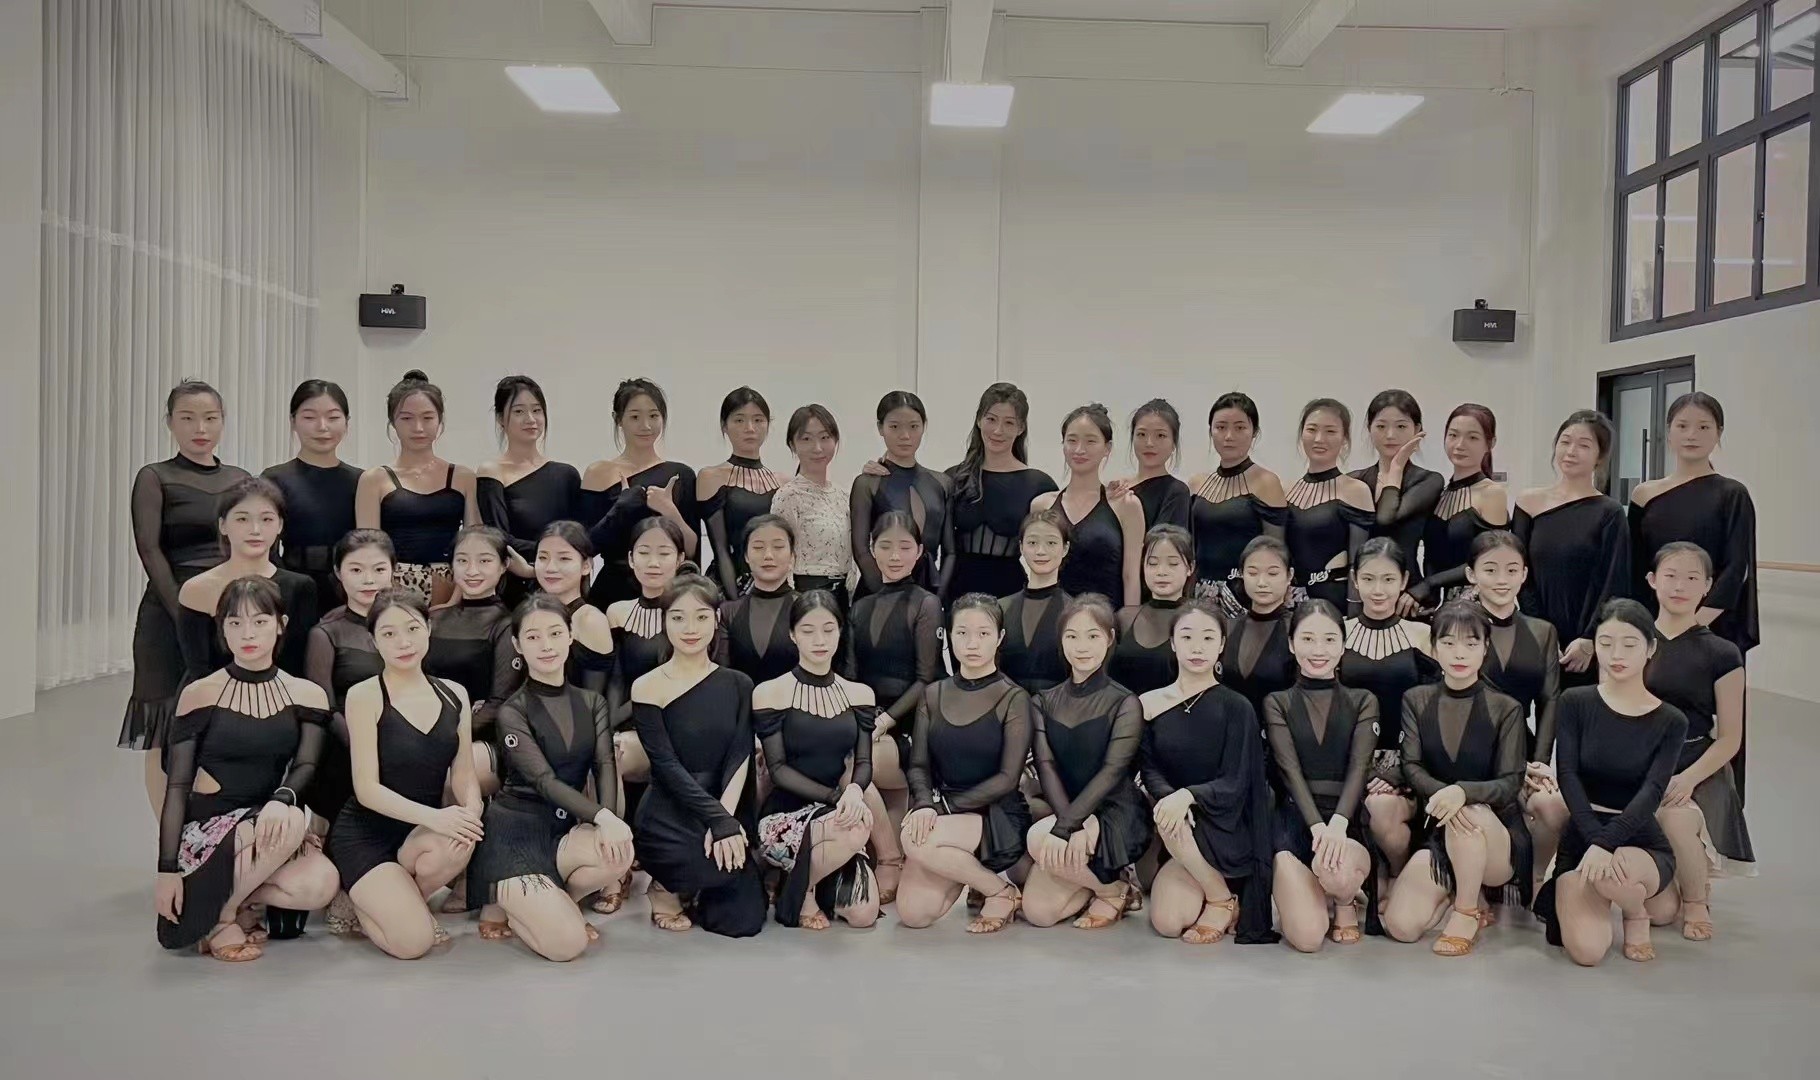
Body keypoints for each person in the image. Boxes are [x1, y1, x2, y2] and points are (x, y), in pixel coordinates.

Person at [155, 576, 338, 960]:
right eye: (235, 623)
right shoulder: (199, 693)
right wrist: (166, 869)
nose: (247, 634)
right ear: (222, 629)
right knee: (290, 821)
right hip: (211, 829)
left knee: (321, 883)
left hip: (268, 821)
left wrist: (281, 799)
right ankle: (221, 919)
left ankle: (224, 903)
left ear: (281, 625)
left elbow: (306, 764)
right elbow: (177, 786)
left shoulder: (306, 694)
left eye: (259, 621)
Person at [466, 596, 633, 960]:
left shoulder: (592, 702)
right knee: (567, 945)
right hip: (515, 836)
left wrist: (605, 822)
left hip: (561, 831)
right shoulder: (512, 711)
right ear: (518, 645)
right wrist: (602, 817)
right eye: (533, 637)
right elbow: (543, 780)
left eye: (555, 633)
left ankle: (555, 902)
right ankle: (509, 899)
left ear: (571, 636)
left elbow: (604, 763)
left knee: (620, 850)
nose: (546, 645)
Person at [325, 588, 484, 959]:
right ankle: (362, 901)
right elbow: (366, 789)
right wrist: (437, 818)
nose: (403, 642)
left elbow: (463, 772)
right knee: (413, 944)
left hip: (418, 830)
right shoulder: (364, 695)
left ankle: (404, 901)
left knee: (459, 842)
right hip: (367, 833)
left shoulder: (454, 694)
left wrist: (471, 811)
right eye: (389, 633)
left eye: (412, 629)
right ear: (374, 641)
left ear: (428, 628)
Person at [1534, 600, 1689, 966]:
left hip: (1639, 836)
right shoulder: (1575, 701)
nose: (1616, 654)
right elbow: (1568, 774)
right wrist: (1595, 840)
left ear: (1650, 648)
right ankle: (1602, 890)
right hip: (1584, 833)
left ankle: (1636, 912)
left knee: (1628, 885)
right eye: (1605, 643)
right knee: (1586, 952)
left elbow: (1652, 791)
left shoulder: (1671, 720)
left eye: (1629, 644)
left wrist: (1607, 843)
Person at [121, 380, 249, 809]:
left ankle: (214, 830)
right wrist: (184, 613)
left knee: (222, 721)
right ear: (170, 423)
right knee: (163, 726)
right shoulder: (155, 476)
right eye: (188, 418)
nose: (200, 428)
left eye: (210, 418)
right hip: (168, 614)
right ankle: (168, 837)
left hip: (229, 616)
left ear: (223, 422)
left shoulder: (240, 480)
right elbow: (149, 549)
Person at [1628, 391, 1757, 802]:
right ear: (1667, 433)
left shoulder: (1732, 493)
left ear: (1719, 434)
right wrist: (1649, 627)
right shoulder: (1644, 495)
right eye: (1682, 426)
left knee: (1718, 724)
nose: (1692, 435)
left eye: (1704, 427)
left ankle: (1718, 814)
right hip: (1655, 628)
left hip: (1712, 627)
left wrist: (1691, 626)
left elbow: (1736, 568)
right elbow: (1635, 568)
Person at [1381, 602, 1530, 956]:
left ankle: (1467, 910)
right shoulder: (1416, 699)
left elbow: (1510, 782)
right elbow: (1412, 766)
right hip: (1439, 830)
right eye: (1448, 643)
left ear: (1485, 648)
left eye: (1470, 643)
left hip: (1495, 836)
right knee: (1401, 927)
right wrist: (1446, 795)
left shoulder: (1506, 707)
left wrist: (1462, 793)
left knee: (1470, 812)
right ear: (1434, 648)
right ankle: (1456, 894)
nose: (1459, 653)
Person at [631, 573, 766, 937]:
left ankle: (699, 890)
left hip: (722, 802)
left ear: (717, 619)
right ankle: (663, 888)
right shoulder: (647, 686)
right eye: (678, 617)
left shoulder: (739, 683)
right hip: (669, 809)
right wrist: (716, 820)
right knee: (709, 864)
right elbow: (666, 766)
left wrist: (725, 820)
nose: (690, 628)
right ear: (665, 621)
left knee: (743, 923)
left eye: (701, 617)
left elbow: (740, 755)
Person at [753, 591, 893, 929]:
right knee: (856, 827)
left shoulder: (860, 694)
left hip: (838, 814)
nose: (819, 640)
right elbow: (778, 771)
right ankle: (801, 895)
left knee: (863, 915)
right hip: (785, 817)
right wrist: (838, 797)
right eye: (808, 630)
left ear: (840, 632)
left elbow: (863, 762)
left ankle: (800, 880)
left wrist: (855, 792)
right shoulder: (770, 692)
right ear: (792, 634)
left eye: (828, 630)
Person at [1140, 600, 1276, 944]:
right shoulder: (1150, 703)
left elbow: (1237, 781)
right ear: (1173, 643)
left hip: (1225, 826)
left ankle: (1221, 899)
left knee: (1171, 819)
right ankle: (1216, 891)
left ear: (1221, 644)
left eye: (1207, 638)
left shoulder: (1237, 707)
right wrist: (1170, 799)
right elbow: (1149, 768)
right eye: (1187, 637)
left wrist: (1188, 796)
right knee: (1168, 923)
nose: (1197, 648)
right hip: (1179, 828)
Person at [898, 594, 1033, 933]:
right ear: (949, 635)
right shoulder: (933, 694)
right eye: (962, 633)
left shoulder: (1014, 697)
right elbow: (918, 765)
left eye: (983, 634)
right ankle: (971, 872)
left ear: (1000, 638)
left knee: (914, 840)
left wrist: (942, 808)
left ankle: (999, 892)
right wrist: (924, 803)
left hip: (996, 815)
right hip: (947, 813)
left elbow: (1008, 778)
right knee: (914, 915)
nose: (972, 644)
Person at [1642, 542, 1753, 941]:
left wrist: (1688, 779)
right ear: (1652, 580)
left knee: (1676, 818)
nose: (1680, 587)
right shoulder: (1634, 640)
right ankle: (1671, 875)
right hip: (1639, 761)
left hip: (1694, 763)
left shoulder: (1723, 653)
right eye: (1671, 576)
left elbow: (1730, 738)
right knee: (1657, 914)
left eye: (1692, 578)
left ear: (1707, 586)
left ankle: (1696, 900)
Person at [1023, 596, 1150, 929]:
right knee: (1039, 913)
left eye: (1092, 636)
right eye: (1072, 636)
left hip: (1115, 810)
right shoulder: (1042, 701)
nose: (1082, 646)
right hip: (1067, 808)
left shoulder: (1125, 702)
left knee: (1038, 838)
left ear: (1109, 639)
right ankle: (1114, 888)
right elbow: (1046, 767)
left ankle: (1106, 885)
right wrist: (1069, 822)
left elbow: (1112, 771)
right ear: (1061, 640)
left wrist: (1066, 827)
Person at [1264, 599, 1381, 951]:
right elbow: (1288, 769)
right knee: (1307, 938)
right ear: (1291, 644)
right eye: (1308, 639)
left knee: (1335, 871)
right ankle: (1313, 890)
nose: (1319, 650)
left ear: (1343, 645)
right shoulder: (1277, 702)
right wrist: (1317, 826)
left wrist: (1338, 824)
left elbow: (1359, 766)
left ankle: (1344, 900)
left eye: (1330, 640)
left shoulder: (1363, 700)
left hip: (1346, 820)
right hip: (1294, 820)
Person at [842, 511, 943, 885]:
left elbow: (925, 679)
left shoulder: (926, 604)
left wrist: (885, 721)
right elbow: (851, 677)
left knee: (851, 769)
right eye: (885, 546)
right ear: (871, 549)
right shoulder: (860, 607)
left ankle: (889, 858)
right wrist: (861, 721)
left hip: (911, 725)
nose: (895, 556)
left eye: (904, 547)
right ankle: (884, 856)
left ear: (919, 551)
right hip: (870, 721)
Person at [1464, 530, 1570, 888]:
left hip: (1523, 748)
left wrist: (1538, 763)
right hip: (1468, 750)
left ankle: (1536, 880)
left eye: (1512, 570)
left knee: (1552, 808)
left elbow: (1550, 699)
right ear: (1471, 574)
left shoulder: (1543, 631)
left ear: (1524, 574)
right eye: (1490, 570)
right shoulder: (1456, 625)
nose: (1502, 580)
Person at [530, 521, 625, 914]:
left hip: (581, 728)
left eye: (563, 559)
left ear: (586, 565)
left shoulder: (588, 619)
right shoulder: (531, 612)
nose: (551, 567)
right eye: (543, 557)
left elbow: (593, 697)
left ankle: (613, 871)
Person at [1514, 410, 1629, 689]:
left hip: (1585, 644)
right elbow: (1519, 571)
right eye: (1565, 442)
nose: (1571, 451)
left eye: (1584, 445)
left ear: (1600, 457)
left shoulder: (1610, 512)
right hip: (1536, 632)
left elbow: (1614, 580)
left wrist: (1590, 639)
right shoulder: (1528, 503)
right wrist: (1541, 631)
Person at [1342, 538, 1437, 876]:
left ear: (1404, 580)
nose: (1378, 590)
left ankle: (1399, 875)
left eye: (1388, 579)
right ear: (1354, 579)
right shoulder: (1338, 633)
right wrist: (1365, 770)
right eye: (1368, 579)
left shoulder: (1423, 635)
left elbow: (1433, 715)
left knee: (1383, 813)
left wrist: (1399, 772)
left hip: (1409, 760)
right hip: (1350, 759)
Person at [175, 477, 318, 685]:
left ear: (280, 525)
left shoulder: (300, 587)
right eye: (242, 519)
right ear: (223, 525)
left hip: (281, 697)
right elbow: (198, 669)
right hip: (212, 696)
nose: (255, 530)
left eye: (266, 519)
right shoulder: (197, 589)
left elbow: (297, 666)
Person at [356, 371, 479, 606]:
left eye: (427, 417)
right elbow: (368, 550)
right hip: (392, 586)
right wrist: (390, 594)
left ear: (440, 421)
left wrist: (457, 595)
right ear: (393, 422)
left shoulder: (463, 477)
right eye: (407, 418)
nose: (418, 427)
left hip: (454, 584)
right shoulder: (374, 479)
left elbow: (474, 543)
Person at [580, 378, 700, 608]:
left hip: (666, 592)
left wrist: (670, 512)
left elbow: (691, 548)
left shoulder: (680, 474)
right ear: (619, 420)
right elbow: (586, 546)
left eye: (653, 416)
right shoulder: (598, 473)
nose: (645, 426)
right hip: (612, 590)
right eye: (635, 417)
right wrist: (621, 509)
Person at [304, 530, 395, 824]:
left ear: (393, 570)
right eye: (356, 570)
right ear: (338, 572)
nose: (368, 580)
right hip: (347, 747)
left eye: (379, 569)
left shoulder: (410, 624)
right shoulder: (326, 633)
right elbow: (324, 707)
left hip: (405, 745)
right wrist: (366, 746)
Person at [426, 526, 520, 798]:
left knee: (438, 775)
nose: (472, 570)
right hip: (426, 728)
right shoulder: (434, 619)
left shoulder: (507, 624)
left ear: (504, 565)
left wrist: (450, 735)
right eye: (463, 560)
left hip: (480, 737)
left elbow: (500, 703)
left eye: (484, 561)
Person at [944, 383, 1057, 602]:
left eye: (1009, 423)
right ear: (979, 420)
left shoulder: (1038, 484)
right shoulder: (953, 478)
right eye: (991, 419)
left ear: (1021, 428)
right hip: (957, 593)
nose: (998, 431)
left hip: (1010, 595)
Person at [476, 375, 579, 608]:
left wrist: (552, 561)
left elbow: (579, 536)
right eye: (519, 411)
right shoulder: (492, 471)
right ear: (501, 419)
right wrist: (556, 557)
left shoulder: (567, 474)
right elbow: (499, 537)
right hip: (515, 584)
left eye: (537, 410)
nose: (530, 419)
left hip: (565, 586)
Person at [1032, 404, 1146, 608]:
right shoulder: (1042, 505)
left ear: (1107, 448)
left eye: (1090, 441)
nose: (1079, 450)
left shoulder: (1126, 505)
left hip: (1106, 619)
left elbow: (1131, 576)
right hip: (1052, 617)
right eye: (1072, 440)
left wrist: (1131, 619)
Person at [1186, 392, 1287, 617]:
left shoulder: (1266, 482)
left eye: (1240, 428)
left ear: (1254, 432)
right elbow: (1190, 547)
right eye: (1221, 427)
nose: (1229, 436)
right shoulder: (1196, 483)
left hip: (1247, 596)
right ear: (1210, 431)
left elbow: (1276, 550)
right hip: (1200, 594)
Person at [263, 379, 361, 607]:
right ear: (293, 422)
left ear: (346, 423)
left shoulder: (361, 480)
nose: (322, 426)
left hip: (349, 590)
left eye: (333, 418)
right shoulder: (274, 478)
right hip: (290, 588)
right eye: (309, 417)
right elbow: (267, 546)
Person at [852, 390, 954, 597]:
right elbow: (861, 550)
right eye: (894, 427)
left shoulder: (942, 483)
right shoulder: (867, 483)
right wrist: (886, 596)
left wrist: (937, 598)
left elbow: (950, 552)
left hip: (928, 591)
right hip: (877, 594)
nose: (905, 436)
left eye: (913, 426)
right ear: (880, 428)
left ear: (924, 426)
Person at [1408, 404, 1508, 609]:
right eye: (1453, 435)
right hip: (1436, 606)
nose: (1460, 444)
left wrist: (1429, 583)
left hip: (1477, 607)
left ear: (1490, 443)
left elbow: (1491, 559)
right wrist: (1428, 594)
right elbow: (1431, 555)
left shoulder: (1492, 493)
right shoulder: (1441, 492)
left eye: (1472, 438)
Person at [1283, 399, 1375, 609]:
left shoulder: (1356, 490)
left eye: (1330, 431)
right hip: (1288, 603)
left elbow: (1358, 563)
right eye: (1312, 430)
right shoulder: (1284, 490)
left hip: (1333, 605)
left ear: (1344, 439)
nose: (1319, 439)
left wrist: (1354, 615)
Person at [699, 387, 783, 597]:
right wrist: (735, 603)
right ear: (724, 426)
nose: (750, 428)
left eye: (758, 420)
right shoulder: (711, 477)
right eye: (739, 420)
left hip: (774, 586)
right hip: (728, 589)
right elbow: (720, 549)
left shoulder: (784, 482)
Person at [1350, 389, 1440, 584]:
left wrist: (1397, 466)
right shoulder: (1354, 481)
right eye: (1381, 426)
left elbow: (1385, 518)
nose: (1390, 435)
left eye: (1401, 426)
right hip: (1362, 587)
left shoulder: (1428, 480)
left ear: (1417, 429)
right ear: (1369, 428)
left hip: (1408, 590)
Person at [771, 403, 852, 606]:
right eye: (806, 439)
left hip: (844, 595)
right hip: (806, 595)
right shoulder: (788, 496)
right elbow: (780, 556)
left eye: (825, 437)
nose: (817, 448)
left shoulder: (844, 496)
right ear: (792, 445)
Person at [1220, 536, 1299, 722]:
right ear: (1241, 574)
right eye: (1253, 573)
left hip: (1279, 731)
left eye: (1272, 574)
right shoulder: (1227, 627)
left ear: (1289, 576)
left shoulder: (1298, 630)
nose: (1262, 582)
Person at [998, 507, 1074, 696]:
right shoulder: (999, 608)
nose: (1041, 551)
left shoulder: (1075, 612)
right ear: (1021, 547)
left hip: (1058, 708)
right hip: (1006, 707)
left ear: (1065, 548)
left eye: (1051, 543)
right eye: (1032, 543)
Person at [1110, 525, 1192, 696]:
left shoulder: (1199, 620)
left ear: (1190, 567)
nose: (1161, 572)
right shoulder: (1124, 618)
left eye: (1173, 564)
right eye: (1153, 563)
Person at [717, 515, 798, 685]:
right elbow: (722, 677)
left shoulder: (807, 608)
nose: (768, 555)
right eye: (758, 547)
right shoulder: (727, 612)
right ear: (746, 556)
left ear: (792, 556)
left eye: (778, 547)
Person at [1118, 399, 1191, 534]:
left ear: (1174, 443)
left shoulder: (1176, 492)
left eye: (1160, 435)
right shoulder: (1119, 489)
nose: (1149, 443)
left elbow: (1164, 543)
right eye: (1141, 434)